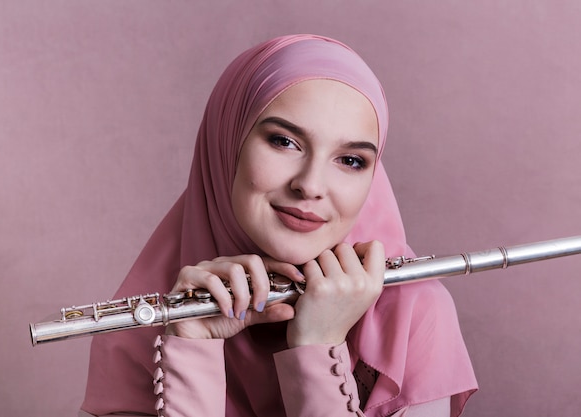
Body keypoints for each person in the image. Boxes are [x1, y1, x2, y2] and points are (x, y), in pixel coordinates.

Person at [80, 34, 478, 417]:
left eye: (351, 160)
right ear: (227, 141)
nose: (310, 185)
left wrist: (318, 347)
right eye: (285, 141)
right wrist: (193, 347)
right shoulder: (146, 320)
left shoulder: (415, 314)